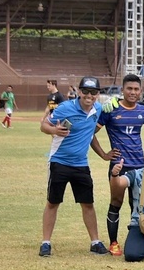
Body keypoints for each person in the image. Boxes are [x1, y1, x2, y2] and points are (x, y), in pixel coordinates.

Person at [38, 76, 109, 257]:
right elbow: (44, 125)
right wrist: (54, 130)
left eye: (93, 92)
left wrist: (103, 155)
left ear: (98, 94)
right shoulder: (65, 108)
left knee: (88, 203)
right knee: (53, 202)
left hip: (81, 165)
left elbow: (90, 134)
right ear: (78, 91)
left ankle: (95, 242)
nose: (89, 96)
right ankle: (46, 242)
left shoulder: (97, 109)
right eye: (85, 91)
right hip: (59, 162)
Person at [92, 74, 144, 256]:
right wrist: (104, 154)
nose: (133, 92)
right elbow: (90, 132)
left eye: (136, 89)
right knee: (116, 203)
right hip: (118, 166)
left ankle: (140, 242)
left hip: (140, 166)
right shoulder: (111, 109)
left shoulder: (143, 110)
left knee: (139, 205)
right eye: (129, 89)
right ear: (122, 90)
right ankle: (113, 242)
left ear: (140, 91)